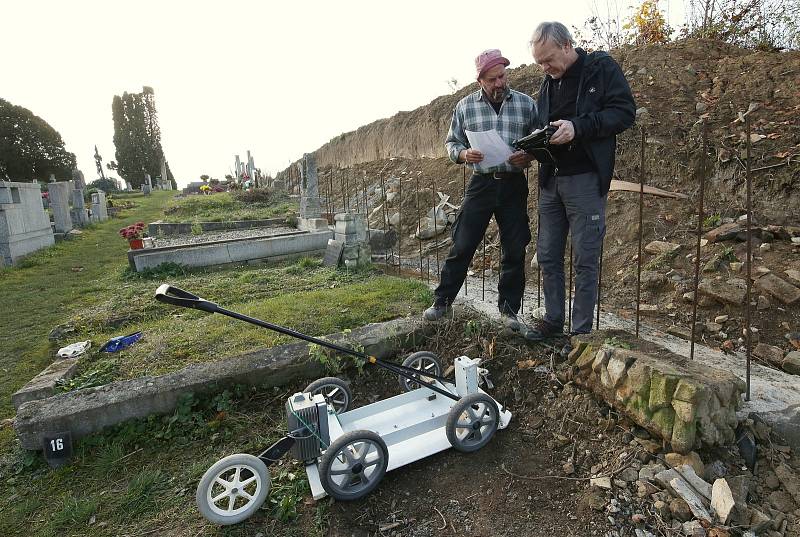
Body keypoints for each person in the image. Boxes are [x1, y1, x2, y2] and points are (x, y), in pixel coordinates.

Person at [524, 22, 635, 341]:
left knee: (585, 258)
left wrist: (578, 127)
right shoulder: (548, 83)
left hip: (585, 180)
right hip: (551, 181)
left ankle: (581, 334)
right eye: (539, 63)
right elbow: (542, 126)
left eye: (548, 59)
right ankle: (553, 321)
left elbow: (624, 113)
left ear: (567, 46)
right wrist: (530, 148)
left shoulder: (600, 68)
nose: (545, 68)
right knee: (547, 255)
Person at [423, 49, 537, 334]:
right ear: (480, 81)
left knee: (514, 248)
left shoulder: (526, 104)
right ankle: (442, 302)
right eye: (492, 79)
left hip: (513, 185)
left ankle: (509, 311)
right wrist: (463, 155)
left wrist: (529, 156)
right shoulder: (464, 107)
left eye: (502, 76)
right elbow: (451, 143)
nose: (499, 83)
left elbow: (539, 141)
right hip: (482, 183)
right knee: (462, 243)